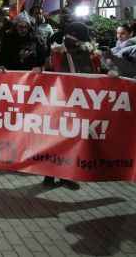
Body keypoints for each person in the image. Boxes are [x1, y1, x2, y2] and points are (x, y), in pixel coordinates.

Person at [43, 21, 102, 190]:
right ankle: (49, 173)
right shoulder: (58, 53)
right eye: (68, 37)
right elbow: (48, 71)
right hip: (60, 102)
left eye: (74, 38)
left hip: (80, 103)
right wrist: (40, 70)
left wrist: (111, 74)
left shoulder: (91, 55)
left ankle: (66, 175)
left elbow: (98, 74)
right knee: (55, 140)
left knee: (72, 141)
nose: (70, 40)